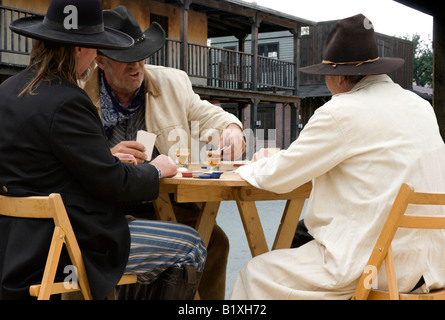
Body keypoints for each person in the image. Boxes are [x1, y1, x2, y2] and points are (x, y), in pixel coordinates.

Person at [0, 0, 206, 300]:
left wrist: (105, 157)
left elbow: (46, 163)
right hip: (65, 245)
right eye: (95, 46)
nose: (97, 54)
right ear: (79, 48)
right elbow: (115, 184)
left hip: (13, 245)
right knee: (190, 246)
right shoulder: (69, 100)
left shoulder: (8, 90)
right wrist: (158, 169)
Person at [230, 14, 445, 299]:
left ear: (340, 76)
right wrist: (284, 157)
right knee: (300, 240)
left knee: (255, 273)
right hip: (432, 266)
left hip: (375, 267)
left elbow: (277, 178)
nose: (327, 85)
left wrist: (250, 165)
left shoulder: (341, 110)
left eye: (326, 75)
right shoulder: (420, 107)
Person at [82, 6, 245, 300]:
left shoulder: (173, 81)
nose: (137, 65)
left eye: (141, 55)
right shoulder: (78, 92)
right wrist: (107, 155)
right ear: (101, 62)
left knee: (215, 241)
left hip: (163, 199)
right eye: (126, 59)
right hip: (106, 206)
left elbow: (206, 115)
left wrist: (230, 128)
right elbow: (75, 155)